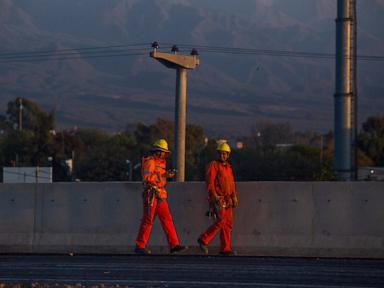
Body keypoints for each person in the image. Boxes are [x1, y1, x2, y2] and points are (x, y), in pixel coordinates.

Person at [135, 139, 188, 255]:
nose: (160, 153)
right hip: (151, 194)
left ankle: (174, 245)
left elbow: (159, 179)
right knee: (148, 220)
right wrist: (164, 175)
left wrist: (165, 175)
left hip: (159, 194)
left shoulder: (162, 164)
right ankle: (139, 245)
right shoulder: (150, 162)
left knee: (167, 219)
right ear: (154, 151)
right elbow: (147, 178)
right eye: (159, 151)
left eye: (162, 152)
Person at [197, 142, 238, 255]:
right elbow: (209, 182)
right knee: (221, 221)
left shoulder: (228, 168)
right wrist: (214, 195)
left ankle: (225, 249)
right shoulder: (213, 165)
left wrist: (234, 196)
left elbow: (231, 183)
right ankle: (204, 239)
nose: (222, 156)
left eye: (224, 154)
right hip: (218, 198)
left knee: (228, 223)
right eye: (220, 154)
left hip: (227, 199)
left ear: (228, 155)